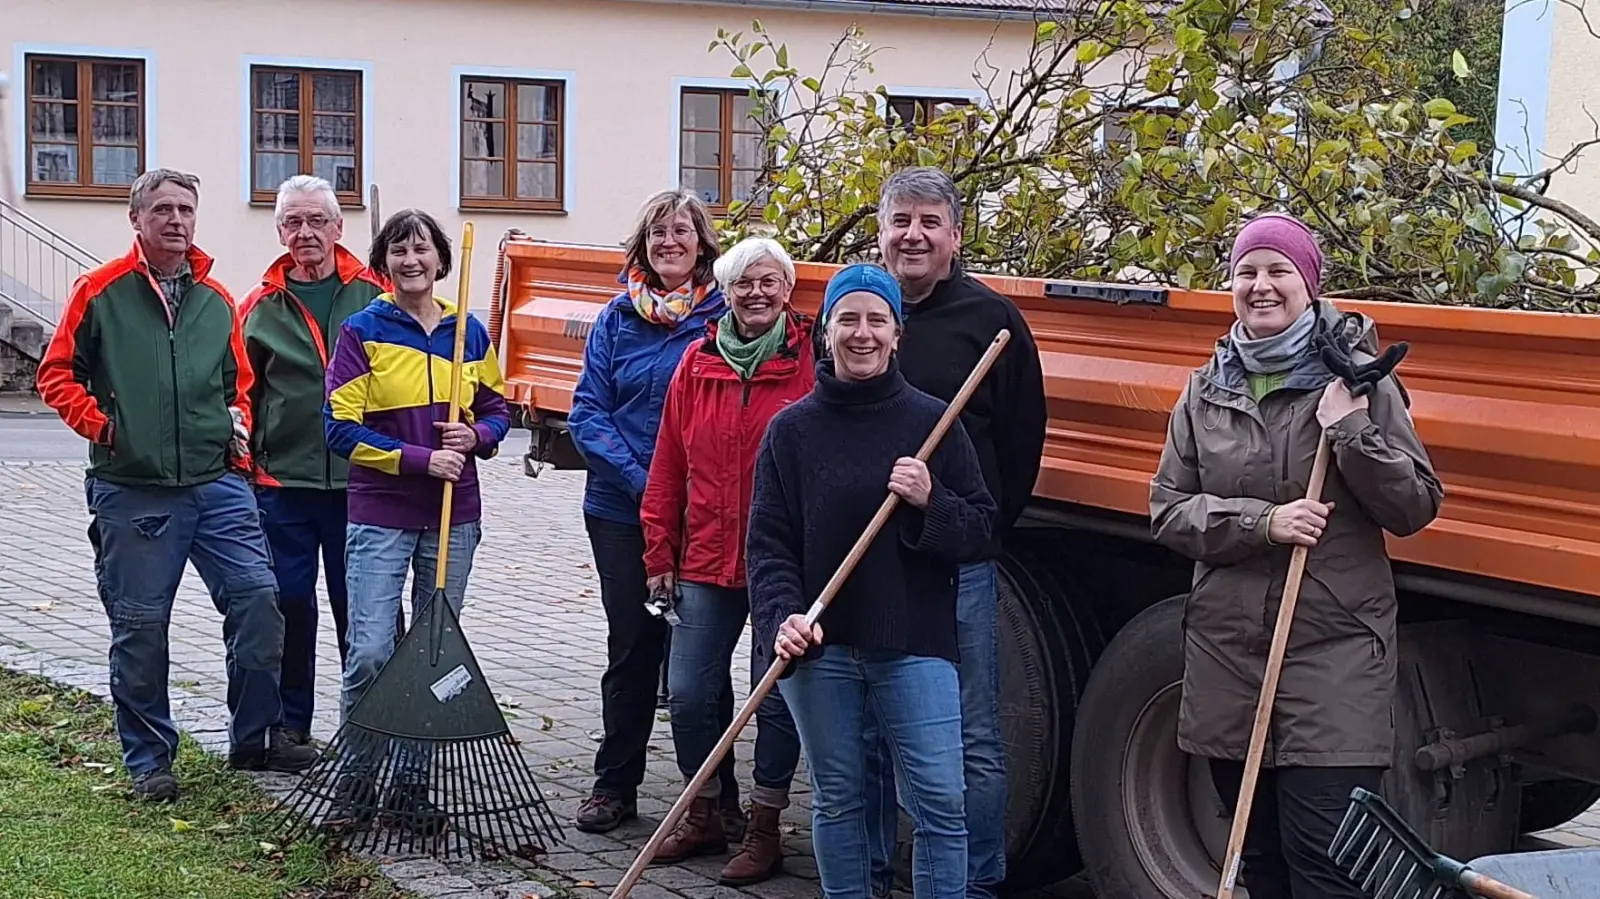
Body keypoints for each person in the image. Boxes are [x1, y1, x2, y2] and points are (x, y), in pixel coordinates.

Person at [1149, 213, 1443, 899]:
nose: (1261, 285)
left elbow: (1415, 507)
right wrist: (1265, 522)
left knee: (1328, 862)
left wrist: (1352, 431)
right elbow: (1168, 509)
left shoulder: (1359, 383)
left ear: (1309, 284)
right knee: (1260, 859)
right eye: (1247, 271)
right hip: (1228, 658)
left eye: (1279, 270)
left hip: (1332, 655)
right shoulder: (1205, 388)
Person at [35, 168, 317, 803]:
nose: (175, 220)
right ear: (136, 220)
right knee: (140, 626)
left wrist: (235, 429)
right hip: (133, 489)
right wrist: (107, 428)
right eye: (161, 209)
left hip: (217, 484)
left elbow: (235, 383)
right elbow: (57, 374)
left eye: (185, 209)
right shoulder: (101, 291)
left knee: (258, 603)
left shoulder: (215, 299)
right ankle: (149, 760)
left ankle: (254, 739)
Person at [748, 263, 998, 899]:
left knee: (941, 801)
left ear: (897, 332)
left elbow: (979, 531)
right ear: (826, 332)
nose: (862, 334)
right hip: (821, 646)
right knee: (840, 801)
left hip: (913, 641)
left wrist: (930, 499)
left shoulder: (934, 422)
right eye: (848, 320)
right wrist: (783, 616)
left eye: (876, 320)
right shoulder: (791, 430)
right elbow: (769, 547)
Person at [863, 165, 1047, 899]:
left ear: (955, 236)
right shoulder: (859, 312)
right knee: (871, 729)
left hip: (958, 559)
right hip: (874, 561)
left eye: (928, 222)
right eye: (900, 220)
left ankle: (978, 881)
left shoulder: (992, 323)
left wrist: (982, 526)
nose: (913, 234)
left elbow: (1023, 438)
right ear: (881, 234)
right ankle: (874, 872)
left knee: (974, 733)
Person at [323, 208, 510, 822]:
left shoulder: (469, 333)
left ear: (440, 260)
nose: (411, 261)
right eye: (399, 251)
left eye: (422, 249)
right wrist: (417, 460)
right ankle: (356, 780)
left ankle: (409, 787)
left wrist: (476, 435)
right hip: (381, 511)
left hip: (455, 515)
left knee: (430, 653)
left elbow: (499, 410)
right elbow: (337, 429)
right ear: (384, 263)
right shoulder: (362, 331)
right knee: (373, 650)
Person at [569, 188, 743, 835]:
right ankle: (614, 784)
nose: (670, 242)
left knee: (700, 656)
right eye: (658, 234)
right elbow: (588, 411)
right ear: (643, 246)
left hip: (701, 514)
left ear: (702, 244)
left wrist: (681, 495)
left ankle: (717, 795)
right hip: (621, 510)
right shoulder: (618, 317)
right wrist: (648, 486)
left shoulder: (725, 317)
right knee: (633, 647)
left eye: (682, 232)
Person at [639, 237, 811, 883]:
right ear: (726, 292)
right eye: (744, 283)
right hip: (706, 557)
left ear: (787, 290)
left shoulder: (808, 363)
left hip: (780, 565)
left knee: (776, 699)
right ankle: (708, 810)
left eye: (769, 282)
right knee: (688, 693)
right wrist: (660, 550)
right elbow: (669, 464)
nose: (757, 293)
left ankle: (765, 825)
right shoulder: (697, 361)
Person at [241, 174, 396, 746]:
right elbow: (242, 392)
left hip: (366, 484)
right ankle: (289, 727)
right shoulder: (259, 305)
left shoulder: (377, 294)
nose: (305, 233)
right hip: (284, 482)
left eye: (316, 221)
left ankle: (374, 731)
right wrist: (247, 462)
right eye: (293, 222)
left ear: (338, 227)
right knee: (288, 604)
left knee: (365, 613)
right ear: (280, 230)